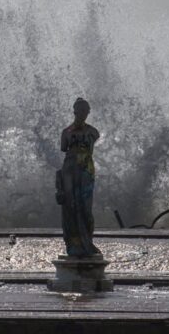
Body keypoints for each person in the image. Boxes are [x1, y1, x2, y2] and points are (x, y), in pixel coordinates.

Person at [57, 97, 101, 257]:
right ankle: (73, 244)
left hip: (86, 171)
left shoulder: (93, 132)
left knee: (86, 208)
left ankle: (87, 242)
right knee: (70, 206)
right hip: (70, 170)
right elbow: (64, 149)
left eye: (86, 111)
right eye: (81, 111)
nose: (83, 114)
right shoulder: (66, 132)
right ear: (75, 111)